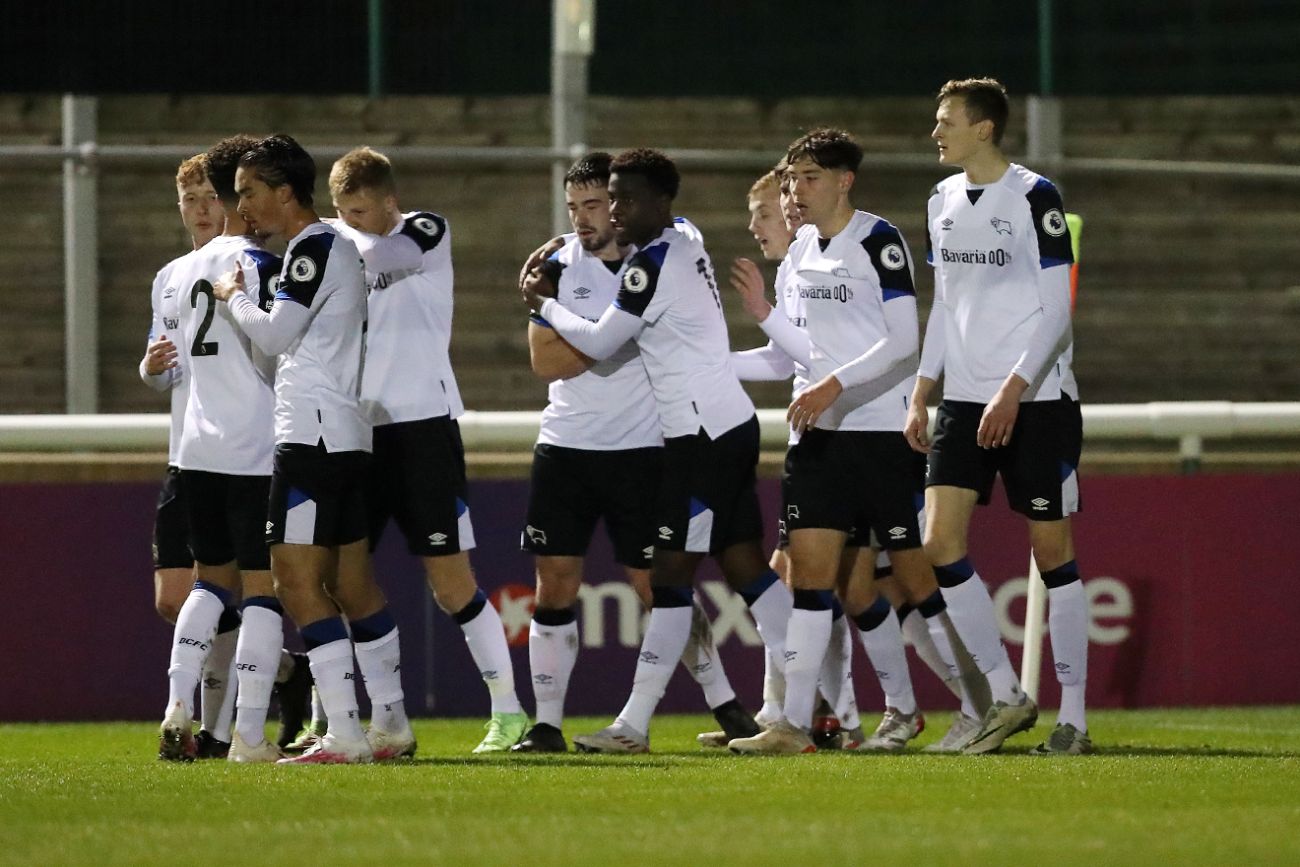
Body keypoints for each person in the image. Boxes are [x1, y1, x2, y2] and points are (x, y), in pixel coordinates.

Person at [521, 148, 794, 754]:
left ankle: (636, 725)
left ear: (661, 203)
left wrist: (545, 304)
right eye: (596, 202)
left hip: (697, 437)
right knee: (746, 569)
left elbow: (600, 341)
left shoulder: (650, 261)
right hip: (718, 427)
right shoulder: (680, 239)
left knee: (669, 580)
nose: (611, 212)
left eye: (618, 200)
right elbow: (555, 359)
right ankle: (797, 711)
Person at [726, 129, 952, 754]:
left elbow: (902, 340)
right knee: (814, 584)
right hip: (819, 437)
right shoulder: (800, 252)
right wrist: (717, 356)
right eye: (790, 182)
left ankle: (986, 697)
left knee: (917, 582)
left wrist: (831, 383)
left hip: (881, 436)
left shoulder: (878, 240)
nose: (794, 194)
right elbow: (795, 356)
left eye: (807, 180)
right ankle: (794, 724)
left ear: (843, 181)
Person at [905, 77, 1090, 755]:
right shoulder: (940, 200)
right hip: (962, 400)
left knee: (1051, 552)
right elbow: (944, 305)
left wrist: (1013, 388)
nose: (936, 131)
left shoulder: (1035, 196)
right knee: (938, 543)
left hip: (1036, 402)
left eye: (946, 120)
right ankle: (1007, 695)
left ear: (983, 128)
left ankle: (1074, 718)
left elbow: (1057, 310)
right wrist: (921, 391)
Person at [211, 134, 410, 764]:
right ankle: (392, 723)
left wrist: (234, 296)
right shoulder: (326, 248)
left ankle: (345, 733)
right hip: (344, 436)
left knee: (294, 583)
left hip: (313, 439)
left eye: (248, 192)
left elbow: (275, 335)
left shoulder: (315, 248)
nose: (242, 207)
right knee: (352, 585)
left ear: (283, 191)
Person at [325, 146, 528, 753]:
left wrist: (327, 233)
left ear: (390, 201)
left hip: (423, 429)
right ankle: (361, 720)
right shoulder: (339, 244)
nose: (352, 221)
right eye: (343, 211)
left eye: (361, 210)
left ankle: (509, 712)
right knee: (341, 582)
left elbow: (387, 256)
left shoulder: (425, 230)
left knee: (451, 584)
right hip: (358, 432)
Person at [156, 135, 291, 763]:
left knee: (208, 584)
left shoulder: (180, 272)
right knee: (262, 589)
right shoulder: (257, 263)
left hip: (197, 451)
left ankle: (176, 704)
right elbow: (277, 349)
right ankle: (249, 736)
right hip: (255, 447)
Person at [145, 154, 241, 760]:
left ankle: (214, 727)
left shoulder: (246, 262)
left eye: (210, 197)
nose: (202, 210)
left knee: (222, 587)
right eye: (190, 200)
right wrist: (150, 368)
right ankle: (281, 671)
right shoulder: (170, 277)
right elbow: (162, 371)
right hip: (187, 452)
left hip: (241, 453)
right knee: (174, 599)